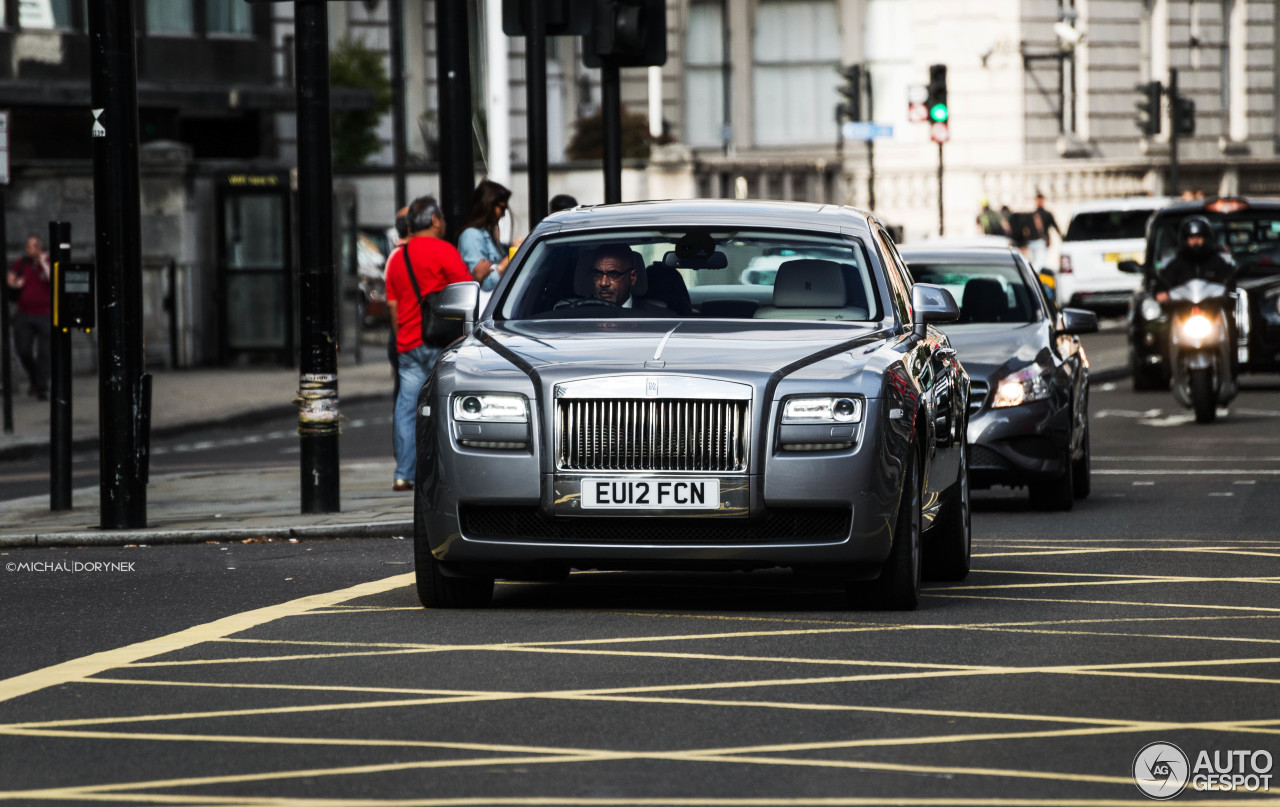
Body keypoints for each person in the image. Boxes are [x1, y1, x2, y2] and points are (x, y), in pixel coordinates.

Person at [383, 196, 474, 491]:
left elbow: (393, 308)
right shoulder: (444, 250)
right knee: (443, 406)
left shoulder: (397, 258)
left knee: (407, 408)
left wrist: (401, 339)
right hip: (439, 343)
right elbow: (465, 291)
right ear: (435, 220)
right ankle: (444, 474)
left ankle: (403, 473)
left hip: (408, 344)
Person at [6, 234, 52, 400]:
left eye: (31, 246)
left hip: (45, 313)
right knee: (23, 349)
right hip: (24, 313)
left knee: (44, 352)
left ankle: (41, 387)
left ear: (40, 248)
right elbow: (10, 277)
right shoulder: (21, 262)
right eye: (27, 246)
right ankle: (35, 378)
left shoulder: (47, 261)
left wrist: (43, 262)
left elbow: (54, 279)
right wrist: (14, 283)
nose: (27, 249)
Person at [458, 180, 523, 294]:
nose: (503, 214)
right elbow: (484, 283)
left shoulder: (487, 235)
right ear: (488, 205)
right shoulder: (471, 236)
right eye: (502, 208)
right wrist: (511, 256)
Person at [1155, 215, 1235, 300]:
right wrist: (1161, 291)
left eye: (1199, 237)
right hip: (1184, 308)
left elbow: (1229, 280)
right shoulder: (1178, 263)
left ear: (1206, 239)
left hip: (1213, 307)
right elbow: (1165, 281)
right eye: (1192, 238)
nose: (1195, 241)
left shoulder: (1217, 261)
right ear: (1185, 240)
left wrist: (1228, 290)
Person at [1027, 191, 1063, 271]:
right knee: (1038, 262)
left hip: (1040, 241)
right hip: (1036, 242)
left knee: (1038, 262)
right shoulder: (1034, 214)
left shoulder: (1045, 214)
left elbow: (1055, 226)